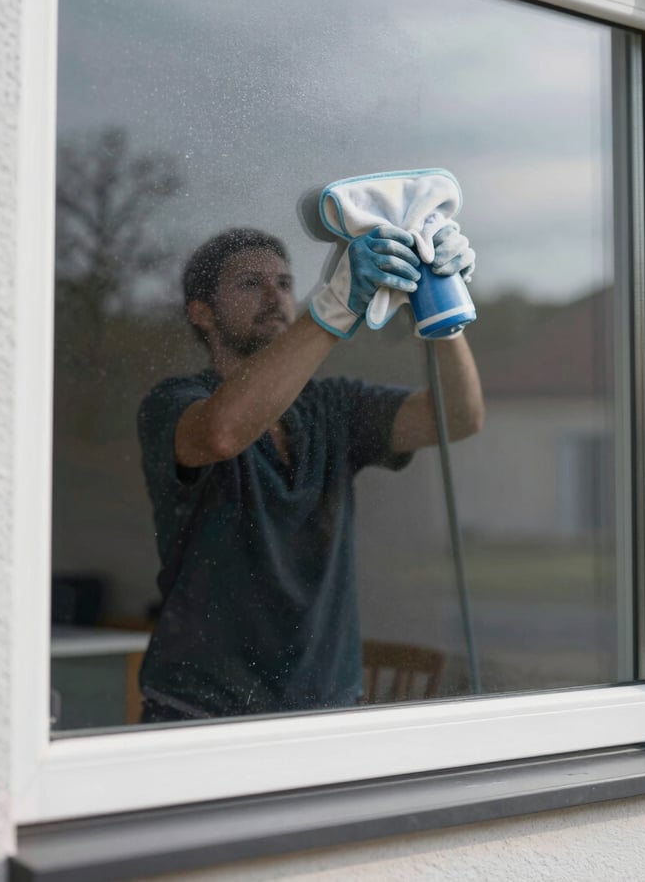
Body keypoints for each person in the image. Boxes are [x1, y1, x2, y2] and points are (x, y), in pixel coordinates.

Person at [137, 223, 484, 722]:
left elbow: (460, 415)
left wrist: (440, 303)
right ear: (202, 312)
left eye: (283, 282)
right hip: (198, 710)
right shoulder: (171, 403)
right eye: (250, 283)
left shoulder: (333, 406)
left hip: (327, 709)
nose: (275, 296)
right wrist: (334, 306)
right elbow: (223, 432)